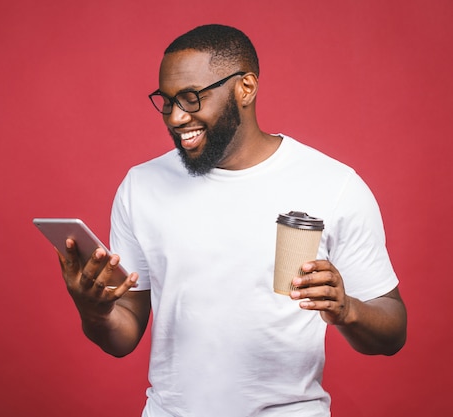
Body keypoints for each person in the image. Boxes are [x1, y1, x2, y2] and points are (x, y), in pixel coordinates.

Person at [57, 24, 407, 417]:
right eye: (167, 101)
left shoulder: (333, 184)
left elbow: (393, 330)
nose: (175, 117)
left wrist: (348, 310)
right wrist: (93, 309)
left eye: (190, 98)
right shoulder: (141, 186)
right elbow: (122, 338)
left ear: (246, 88)